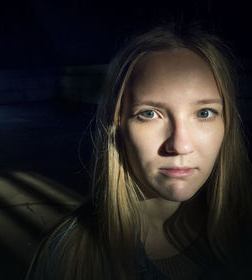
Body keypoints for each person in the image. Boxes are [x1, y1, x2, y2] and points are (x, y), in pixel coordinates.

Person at [27, 23, 252, 280]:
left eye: (204, 113)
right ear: (117, 124)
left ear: (226, 124)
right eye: (149, 114)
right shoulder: (68, 258)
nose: (180, 145)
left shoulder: (244, 235)